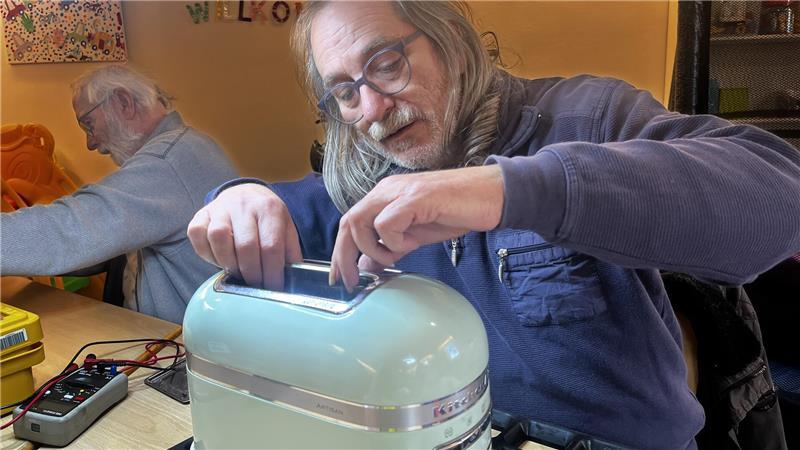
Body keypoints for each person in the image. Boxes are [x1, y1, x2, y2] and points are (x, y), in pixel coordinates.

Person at [187, 2, 800, 448]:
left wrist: (509, 190)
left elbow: (779, 202)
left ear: (450, 39)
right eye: (345, 93)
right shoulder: (360, 179)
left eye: (387, 63)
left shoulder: (582, 117)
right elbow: (282, 208)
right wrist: (237, 194)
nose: (371, 111)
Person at [1, 65, 239, 324]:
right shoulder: (187, 144)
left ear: (124, 102)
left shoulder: (168, 160)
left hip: (179, 346)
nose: (90, 143)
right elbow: (102, 242)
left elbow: (70, 226)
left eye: (88, 125)